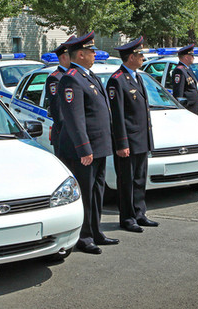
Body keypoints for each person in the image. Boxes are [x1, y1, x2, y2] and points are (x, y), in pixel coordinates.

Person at [58, 31, 117, 255]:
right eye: (91, 51)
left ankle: (95, 230)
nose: (94, 54)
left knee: (97, 191)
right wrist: (84, 148)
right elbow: (74, 118)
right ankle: (83, 236)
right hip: (84, 150)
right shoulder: (71, 78)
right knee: (85, 192)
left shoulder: (90, 76)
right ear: (80, 54)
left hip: (99, 146)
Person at [106, 36, 156, 234]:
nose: (143, 57)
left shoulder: (138, 77)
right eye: (140, 54)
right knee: (126, 181)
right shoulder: (117, 80)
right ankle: (127, 218)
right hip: (128, 141)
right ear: (130, 57)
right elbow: (117, 115)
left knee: (139, 179)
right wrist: (121, 143)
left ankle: (139, 213)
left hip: (141, 139)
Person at [44, 39, 73, 156]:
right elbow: (57, 109)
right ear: (64, 57)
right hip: (65, 136)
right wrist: (68, 133)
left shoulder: (74, 75)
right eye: (72, 55)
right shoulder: (56, 78)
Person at [172, 44, 198, 115]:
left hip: (192, 108)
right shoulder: (179, 71)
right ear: (186, 57)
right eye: (192, 56)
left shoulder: (187, 69)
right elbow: (179, 93)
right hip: (187, 109)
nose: (193, 57)